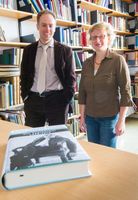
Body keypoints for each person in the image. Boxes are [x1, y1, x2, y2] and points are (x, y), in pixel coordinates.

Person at [78, 22, 134, 148]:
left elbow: (126, 92)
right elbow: (82, 92)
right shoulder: (86, 63)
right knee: (94, 152)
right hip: (90, 118)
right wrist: (82, 117)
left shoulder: (118, 60)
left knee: (108, 154)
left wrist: (121, 120)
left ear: (109, 38)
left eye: (101, 36)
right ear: (90, 40)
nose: (97, 40)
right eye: (94, 37)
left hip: (109, 118)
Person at [20, 9, 76, 127]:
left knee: (56, 140)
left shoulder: (65, 51)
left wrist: (65, 100)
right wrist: (25, 96)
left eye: (51, 26)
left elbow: (71, 79)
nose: (47, 29)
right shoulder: (28, 50)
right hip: (33, 101)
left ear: (55, 27)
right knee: (33, 138)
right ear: (37, 26)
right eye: (44, 25)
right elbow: (24, 75)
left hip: (57, 101)